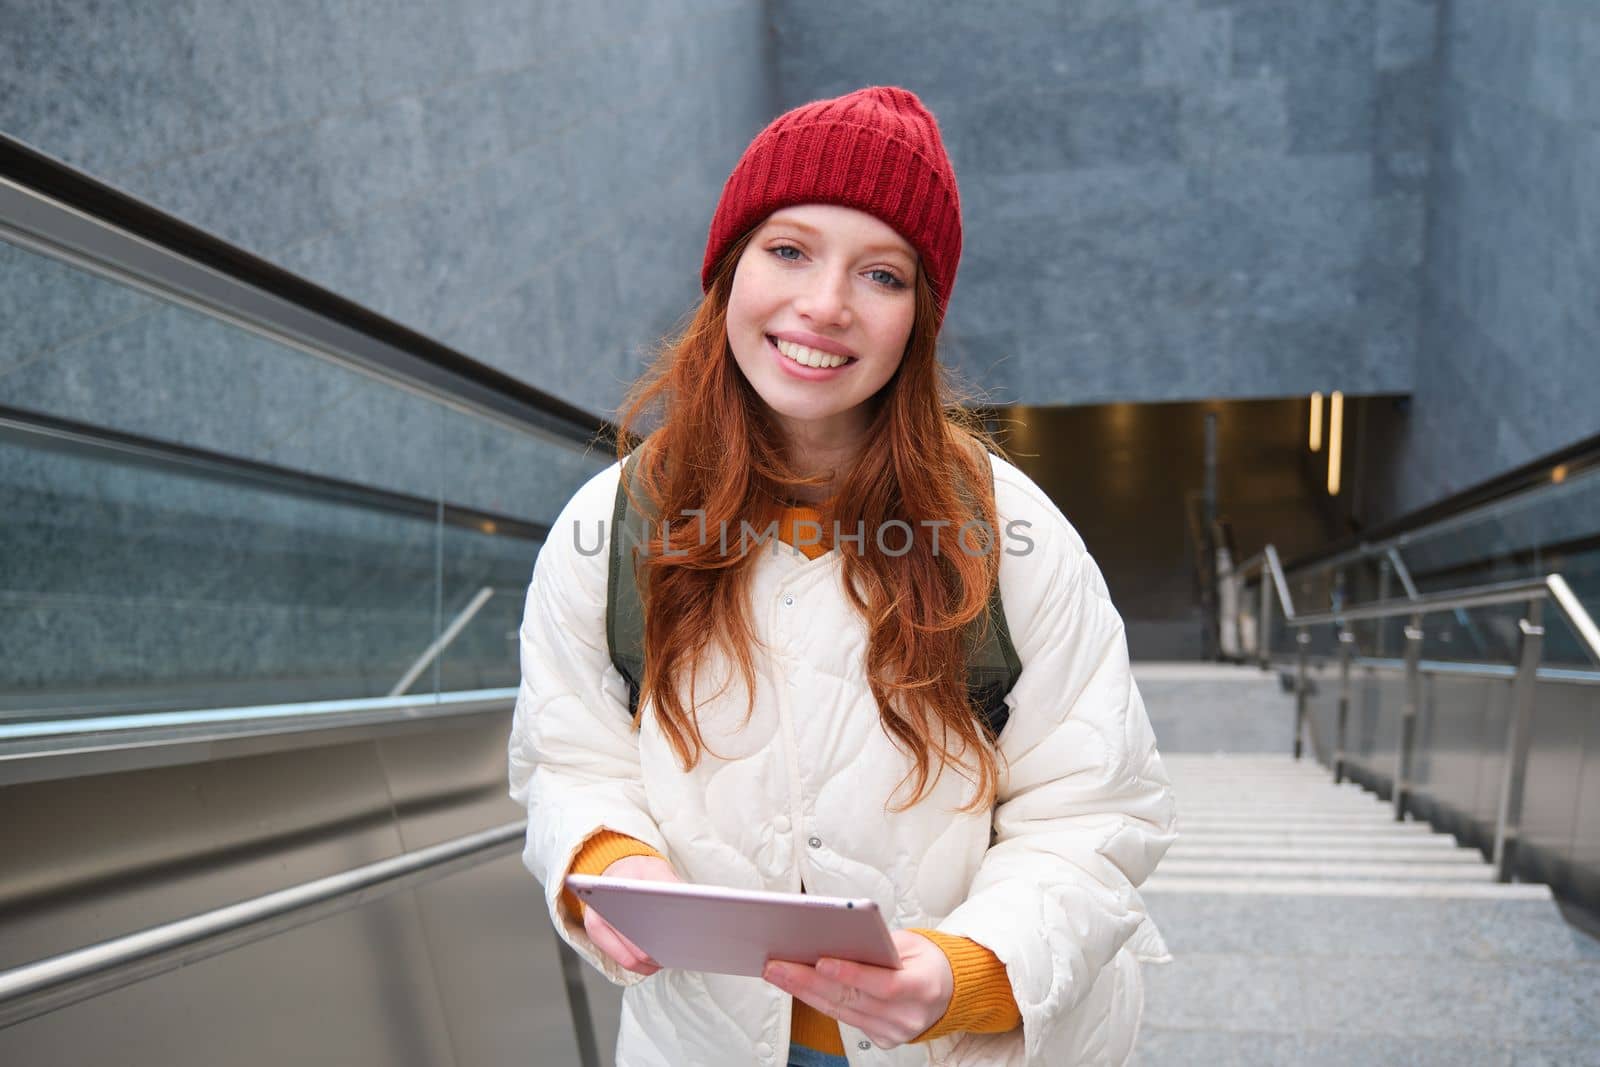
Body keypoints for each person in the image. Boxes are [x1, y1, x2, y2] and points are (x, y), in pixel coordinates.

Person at [509, 85, 1177, 1067]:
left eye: (881, 273)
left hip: (952, 1046)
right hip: (702, 1033)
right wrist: (604, 862)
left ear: (920, 315)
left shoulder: (1007, 529)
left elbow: (1095, 806)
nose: (824, 305)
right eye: (787, 250)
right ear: (728, 268)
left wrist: (968, 968)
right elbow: (571, 757)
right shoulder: (615, 522)